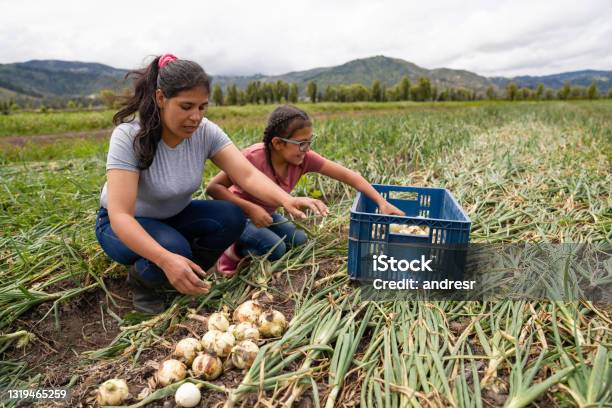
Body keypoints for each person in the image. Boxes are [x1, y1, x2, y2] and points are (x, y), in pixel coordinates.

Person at [95, 55, 327, 314]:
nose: (195, 116)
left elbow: (247, 175)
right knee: (173, 249)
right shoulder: (129, 136)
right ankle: (144, 283)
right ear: (161, 98)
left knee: (231, 215)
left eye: (202, 107)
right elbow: (121, 215)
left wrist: (286, 200)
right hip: (121, 226)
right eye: (186, 107)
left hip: (174, 216)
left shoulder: (205, 131)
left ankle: (189, 274)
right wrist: (165, 259)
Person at [206, 104, 405, 276]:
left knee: (299, 241)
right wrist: (250, 209)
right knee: (276, 249)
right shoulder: (252, 157)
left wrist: (382, 203)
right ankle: (231, 253)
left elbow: (349, 176)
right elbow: (213, 188)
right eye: (301, 143)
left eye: (309, 142)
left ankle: (252, 246)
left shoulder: (303, 159)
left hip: (266, 215)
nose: (307, 149)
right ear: (277, 143)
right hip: (237, 218)